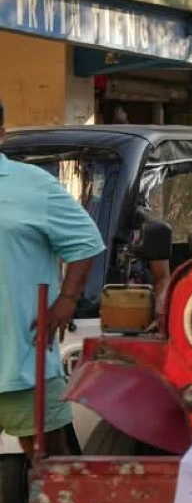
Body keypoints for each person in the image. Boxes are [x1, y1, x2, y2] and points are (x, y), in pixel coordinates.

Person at [0, 99, 105, 457]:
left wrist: (68, 300)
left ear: (1, 135)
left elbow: (86, 242)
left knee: (49, 462)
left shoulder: (33, 185)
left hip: (23, 354)